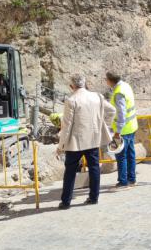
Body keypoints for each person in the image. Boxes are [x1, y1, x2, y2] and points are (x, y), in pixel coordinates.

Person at [58, 74, 116, 209]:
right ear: (84, 83)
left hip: (75, 142)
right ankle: (94, 197)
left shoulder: (71, 100)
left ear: (72, 86)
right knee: (94, 168)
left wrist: (61, 145)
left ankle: (66, 201)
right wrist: (103, 125)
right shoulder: (97, 97)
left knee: (70, 171)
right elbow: (112, 111)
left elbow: (66, 125)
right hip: (93, 139)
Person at [106, 72, 139, 188]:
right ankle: (132, 179)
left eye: (106, 79)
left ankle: (123, 181)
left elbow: (121, 113)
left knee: (121, 156)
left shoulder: (118, 92)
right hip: (132, 126)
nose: (106, 81)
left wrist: (117, 131)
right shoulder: (126, 86)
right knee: (130, 154)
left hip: (123, 130)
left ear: (110, 80)